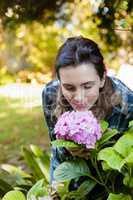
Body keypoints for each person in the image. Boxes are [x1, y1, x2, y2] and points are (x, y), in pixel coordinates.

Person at [42, 36, 133, 198]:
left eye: (87, 86)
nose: (79, 97)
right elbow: (55, 148)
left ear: (102, 78)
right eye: (69, 87)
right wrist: (66, 149)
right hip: (71, 185)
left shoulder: (126, 103)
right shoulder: (50, 94)